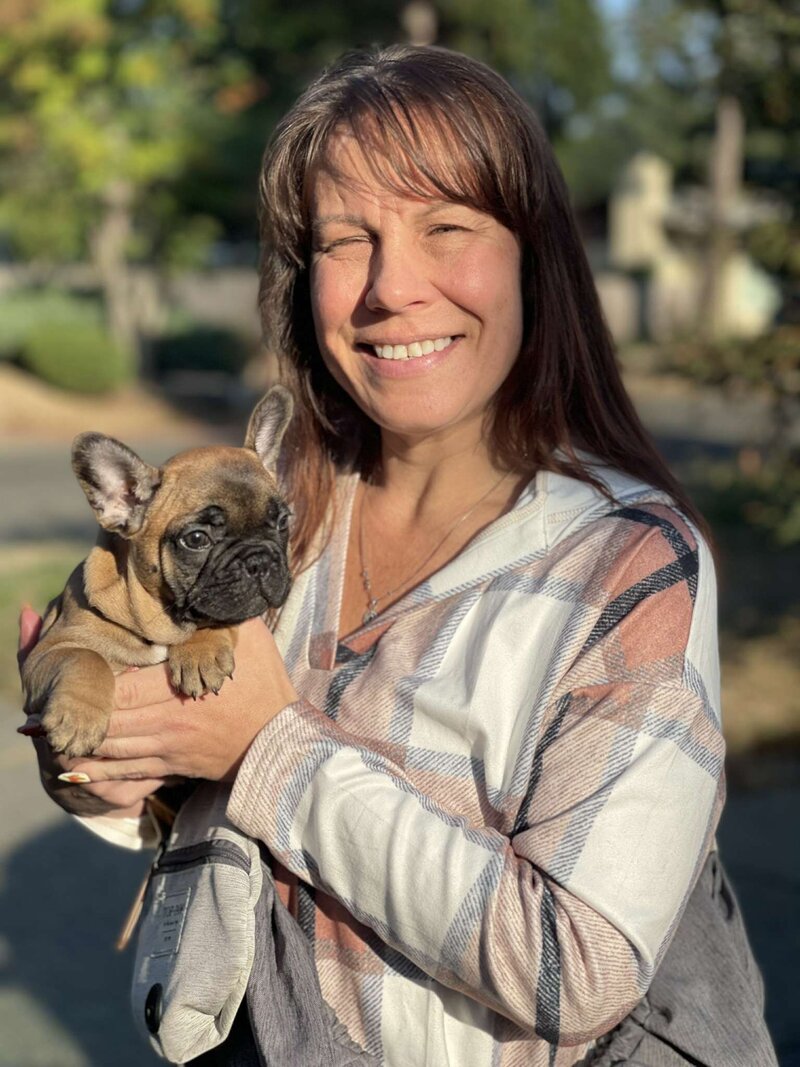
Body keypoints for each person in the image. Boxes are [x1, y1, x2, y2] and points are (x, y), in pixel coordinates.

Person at [18, 44, 776, 1067]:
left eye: (446, 227)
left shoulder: (625, 564)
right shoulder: (286, 506)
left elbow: (578, 966)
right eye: (345, 240)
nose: (393, 287)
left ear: (533, 256)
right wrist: (102, 769)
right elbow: (178, 797)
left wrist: (269, 747)